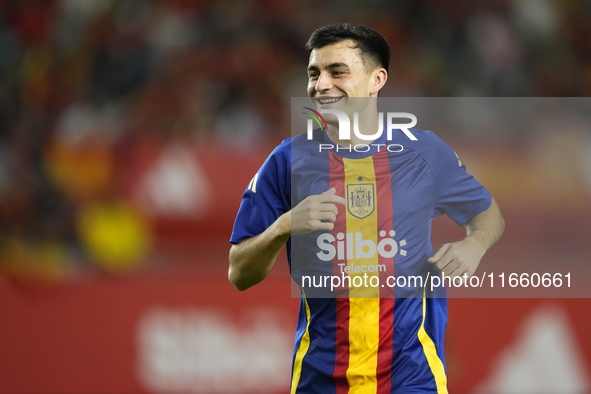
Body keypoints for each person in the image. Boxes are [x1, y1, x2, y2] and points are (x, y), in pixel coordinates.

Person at [229, 23, 504, 394]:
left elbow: (488, 214)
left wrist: (475, 245)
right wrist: (283, 226)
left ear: (377, 79)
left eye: (337, 71)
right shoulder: (287, 160)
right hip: (318, 380)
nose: (320, 84)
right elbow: (238, 273)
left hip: (412, 379)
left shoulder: (423, 152)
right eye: (314, 73)